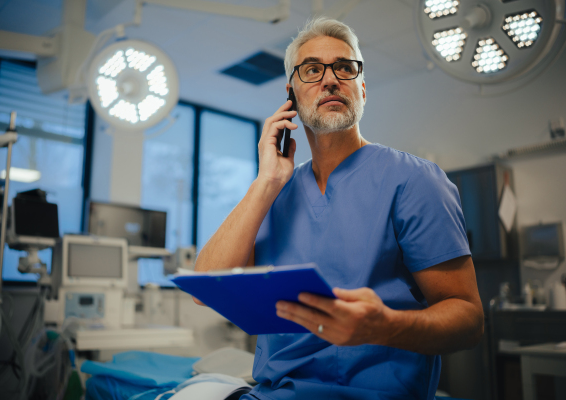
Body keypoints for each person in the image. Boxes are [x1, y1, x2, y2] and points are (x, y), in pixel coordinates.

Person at [194, 17, 484, 400]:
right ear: (291, 97)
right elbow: (207, 288)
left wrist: (384, 327)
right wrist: (266, 182)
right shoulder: (275, 193)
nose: (330, 79)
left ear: (361, 89)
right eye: (312, 70)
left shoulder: (414, 181)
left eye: (345, 68)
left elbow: (468, 318)